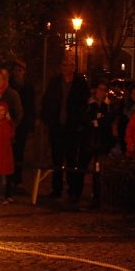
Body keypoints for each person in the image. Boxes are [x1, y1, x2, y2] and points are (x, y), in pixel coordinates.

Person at [39, 56, 90, 201]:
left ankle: (72, 190)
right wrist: (47, 119)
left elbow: (84, 104)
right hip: (57, 127)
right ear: (61, 67)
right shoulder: (55, 82)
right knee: (57, 160)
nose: (67, 67)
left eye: (70, 65)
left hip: (72, 128)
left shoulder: (80, 83)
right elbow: (47, 101)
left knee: (71, 160)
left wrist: (80, 122)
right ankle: (56, 189)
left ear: (74, 67)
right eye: (65, 64)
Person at [83, 80, 116, 209]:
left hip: (101, 141)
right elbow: (86, 119)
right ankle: (75, 193)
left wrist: (97, 122)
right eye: (100, 89)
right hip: (88, 139)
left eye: (104, 90)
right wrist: (96, 122)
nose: (101, 92)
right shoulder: (89, 104)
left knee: (98, 169)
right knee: (83, 165)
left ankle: (97, 197)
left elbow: (107, 121)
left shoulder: (107, 106)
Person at [8, 60, 36, 195]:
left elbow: (31, 106)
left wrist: (30, 123)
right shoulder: (10, 86)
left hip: (22, 125)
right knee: (9, 152)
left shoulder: (28, 87)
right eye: (16, 70)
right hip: (10, 123)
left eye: (21, 70)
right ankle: (9, 178)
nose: (18, 73)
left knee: (19, 152)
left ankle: (17, 179)